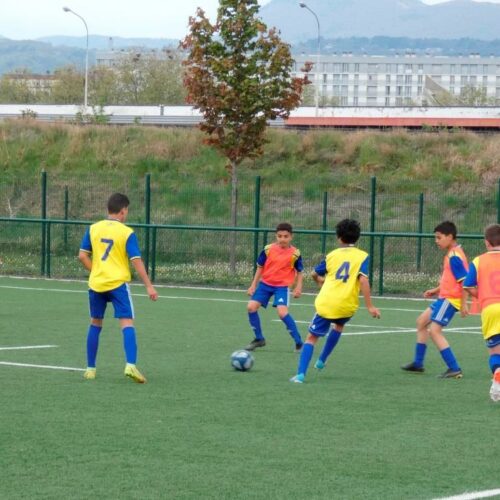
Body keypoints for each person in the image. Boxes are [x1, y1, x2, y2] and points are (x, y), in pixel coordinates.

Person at [78, 193, 158, 383]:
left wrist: (97, 270)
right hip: (117, 284)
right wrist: (149, 286)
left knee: (95, 323)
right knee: (127, 323)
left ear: (108, 209)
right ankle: (130, 365)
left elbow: (82, 255)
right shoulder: (126, 232)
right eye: (126, 211)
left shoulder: (93, 228)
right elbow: (136, 261)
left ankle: (90, 369)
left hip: (97, 283)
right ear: (122, 211)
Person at [290, 218, 380, 383]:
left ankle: (301, 374)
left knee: (311, 338)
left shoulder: (332, 255)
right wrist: (370, 306)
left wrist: (320, 281)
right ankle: (322, 360)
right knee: (338, 326)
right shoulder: (363, 256)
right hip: (347, 305)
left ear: (338, 237)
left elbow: (314, 274)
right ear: (357, 238)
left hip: (328, 303)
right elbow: (363, 280)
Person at [401, 221, 468, 379]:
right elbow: (451, 279)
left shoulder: (454, 256)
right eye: (435, 238)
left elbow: (464, 281)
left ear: (450, 237)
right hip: (444, 297)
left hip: (451, 299)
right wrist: (436, 290)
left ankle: (454, 368)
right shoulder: (452, 253)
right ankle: (418, 363)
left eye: (439, 237)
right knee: (421, 322)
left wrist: (464, 304)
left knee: (435, 331)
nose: (436, 241)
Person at [245, 222, 304, 352]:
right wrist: (253, 285)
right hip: (265, 284)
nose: (282, 239)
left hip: (281, 287)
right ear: (276, 236)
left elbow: (300, 272)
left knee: (282, 313)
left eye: (286, 236)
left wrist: (298, 287)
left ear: (291, 237)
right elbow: (260, 268)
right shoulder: (268, 249)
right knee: (251, 307)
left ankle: (299, 342)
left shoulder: (295, 253)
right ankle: (259, 339)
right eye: (279, 236)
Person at [462, 223, 500, 402]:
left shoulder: (478, 261)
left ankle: (498, 373)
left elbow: (468, 285)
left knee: (495, 352)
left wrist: (483, 295)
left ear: (486, 242)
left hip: (490, 308)